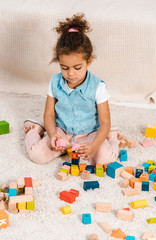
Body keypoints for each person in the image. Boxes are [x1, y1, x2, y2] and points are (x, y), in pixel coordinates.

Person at [24, 13, 119, 165]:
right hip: (62, 131)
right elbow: (49, 114)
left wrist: (94, 145)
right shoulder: (55, 82)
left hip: (90, 134)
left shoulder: (98, 87)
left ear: (89, 61)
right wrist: (53, 133)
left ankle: (113, 137)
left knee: (105, 159)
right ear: (58, 62)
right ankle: (35, 130)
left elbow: (105, 122)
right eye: (64, 67)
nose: (71, 73)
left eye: (77, 67)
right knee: (37, 156)